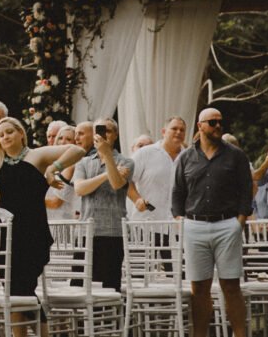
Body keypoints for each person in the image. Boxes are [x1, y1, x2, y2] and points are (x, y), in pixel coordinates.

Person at [0, 117, 85, 337]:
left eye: (10, 132)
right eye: (1, 135)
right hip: (5, 238)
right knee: (15, 292)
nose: (5, 137)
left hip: (32, 234)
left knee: (20, 290)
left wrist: (53, 169)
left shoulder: (36, 155)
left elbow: (77, 150)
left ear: (21, 133)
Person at [172, 108, 252, 337]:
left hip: (227, 225)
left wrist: (240, 221)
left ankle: (240, 335)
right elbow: (177, 192)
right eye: (212, 122)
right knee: (199, 288)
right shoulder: (185, 157)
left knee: (231, 286)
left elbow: (246, 190)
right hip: (194, 225)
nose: (218, 126)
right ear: (200, 126)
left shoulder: (236, 155)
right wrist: (180, 219)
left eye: (220, 122)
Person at [73, 117, 133, 291]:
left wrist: (107, 155)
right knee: (80, 286)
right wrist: (106, 174)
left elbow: (117, 184)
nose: (102, 135)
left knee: (109, 287)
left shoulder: (126, 162)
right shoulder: (83, 162)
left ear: (115, 135)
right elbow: (80, 189)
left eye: (107, 130)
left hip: (112, 231)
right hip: (85, 231)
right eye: (99, 131)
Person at [128, 117, 186, 222]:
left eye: (182, 130)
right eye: (174, 128)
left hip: (177, 224)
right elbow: (126, 179)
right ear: (163, 132)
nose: (178, 132)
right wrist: (137, 199)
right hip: (147, 222)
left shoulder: (189, 157)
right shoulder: (144, 153)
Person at [45, 125, 79, 221]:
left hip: (62, 221)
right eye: (60, 138)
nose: (63, 142)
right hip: (47, 218)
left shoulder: (71, 167)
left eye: (68, 139)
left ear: (75, 143)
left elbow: (55, 203)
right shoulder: (51, 164)